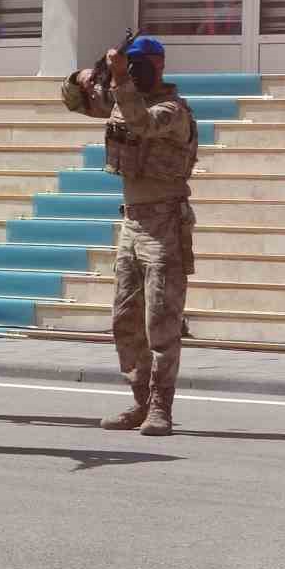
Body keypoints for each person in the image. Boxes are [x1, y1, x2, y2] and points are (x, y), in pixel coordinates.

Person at [61, 36, 197, 437]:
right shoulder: (122, 97)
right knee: (125, 318)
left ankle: (160, 406)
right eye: (130, 66)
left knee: (162, 319)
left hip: (164, 224)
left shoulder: (172, 111)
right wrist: (81, 77)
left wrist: (119, 80)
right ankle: (139, 398)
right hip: (132, 223)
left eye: (141, 66)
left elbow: (141, 122)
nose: (135, 73)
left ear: (159, 67)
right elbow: (72, 101)